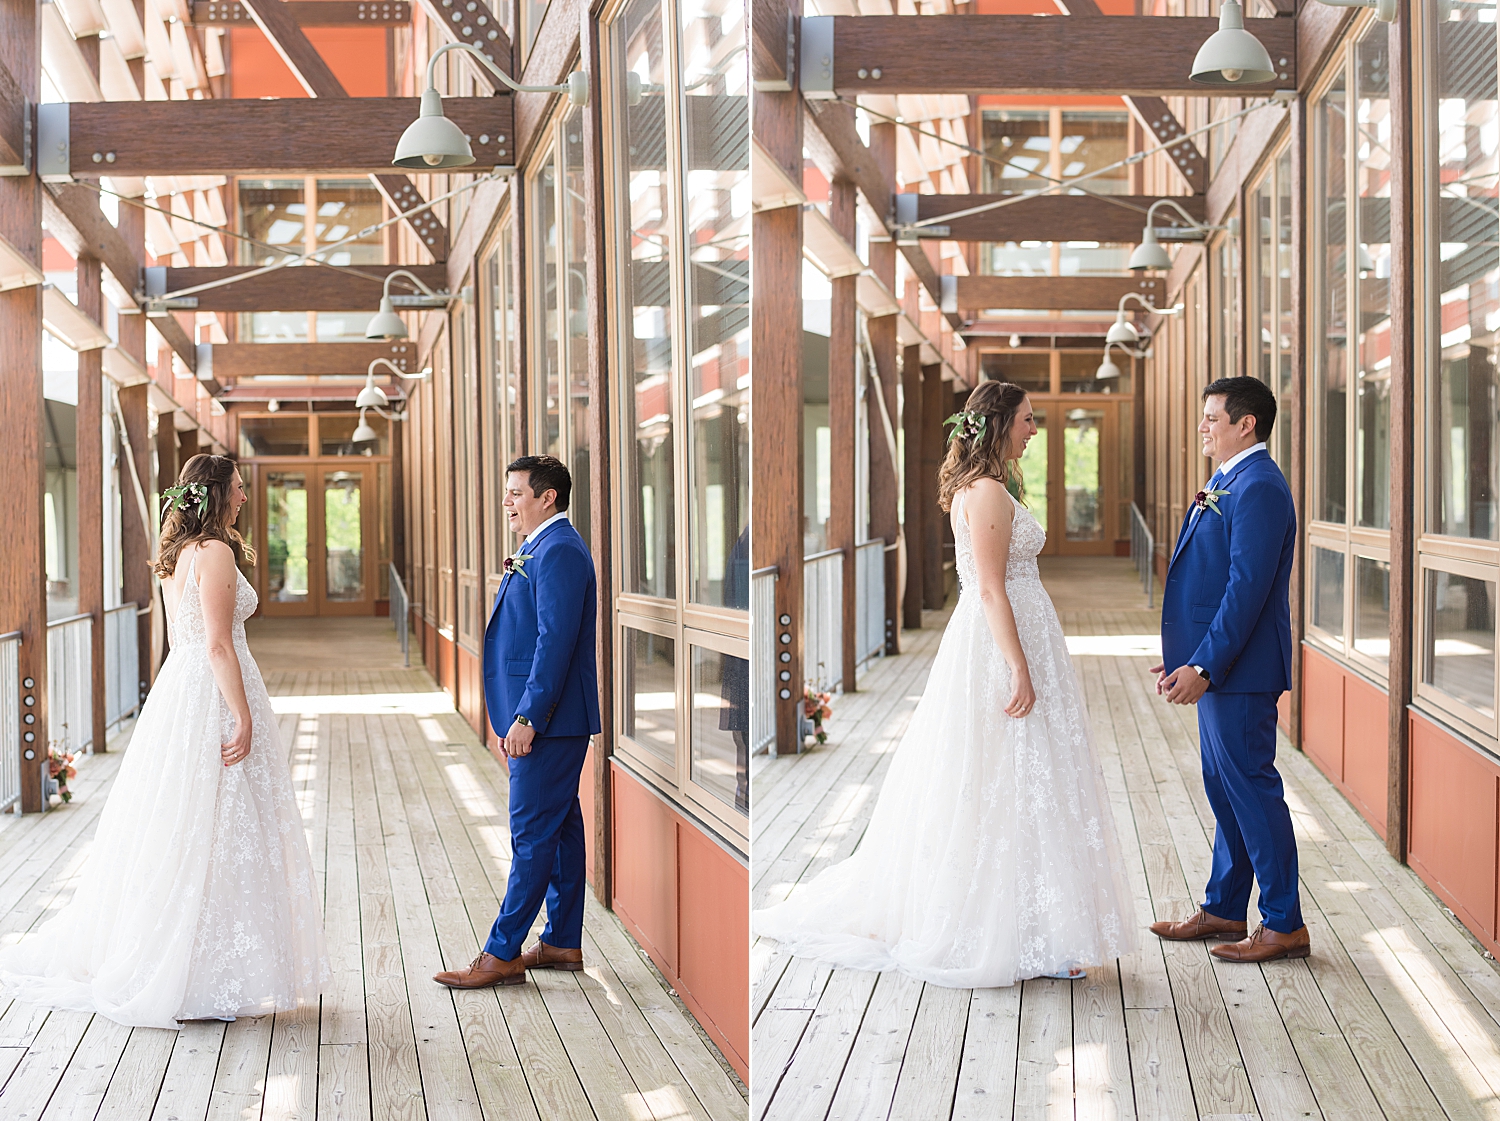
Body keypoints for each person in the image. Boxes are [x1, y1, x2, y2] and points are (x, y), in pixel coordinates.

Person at [752, 381, 1135, 987]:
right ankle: (1009, 931)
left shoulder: (994, 487)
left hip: (1019, 637)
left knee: (1026, 776)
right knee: (1001, 775)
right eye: (1029, 421)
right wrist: (1017, 664)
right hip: (997, 646)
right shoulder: (984, 492)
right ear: (1000, 424)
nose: (1035, 430)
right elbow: (988, 587)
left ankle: (1035, 926)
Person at [0, 454, 328, 1026]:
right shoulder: (218, 552)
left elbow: (187, 640)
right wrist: (243, 715)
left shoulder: (179, 555)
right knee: (219, 823)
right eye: (240, 490)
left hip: (180, 694)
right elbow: (219, 645)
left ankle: (204, 964)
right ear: (217, 495)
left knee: (191, 824)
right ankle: (200, 971)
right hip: (213, 695)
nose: (245, 497)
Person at [1148, 376, 1307, 962]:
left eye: (1212, 417)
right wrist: (1189, 657)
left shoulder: (1259, 486)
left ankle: (1284, 922)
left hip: (1241, 671)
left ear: (1247, 424)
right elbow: (1215, 581)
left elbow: (1246, 590)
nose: (1202, 427)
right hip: (1219, 666)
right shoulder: (1230, 479)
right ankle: (1223, 907)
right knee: (1226, 790)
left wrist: (1207, 666)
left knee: (1253, 791)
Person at [435, 455, 601, 989]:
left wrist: (528, 715)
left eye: (515, 493)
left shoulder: (559, 552)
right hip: (546, 716)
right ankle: (561, 941)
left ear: (547, 496)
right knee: (561, 827)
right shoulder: (540, 547)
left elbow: (555, 643)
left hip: (547, 719)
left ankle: (501, 952)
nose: (507, 502)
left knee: (530, 833)